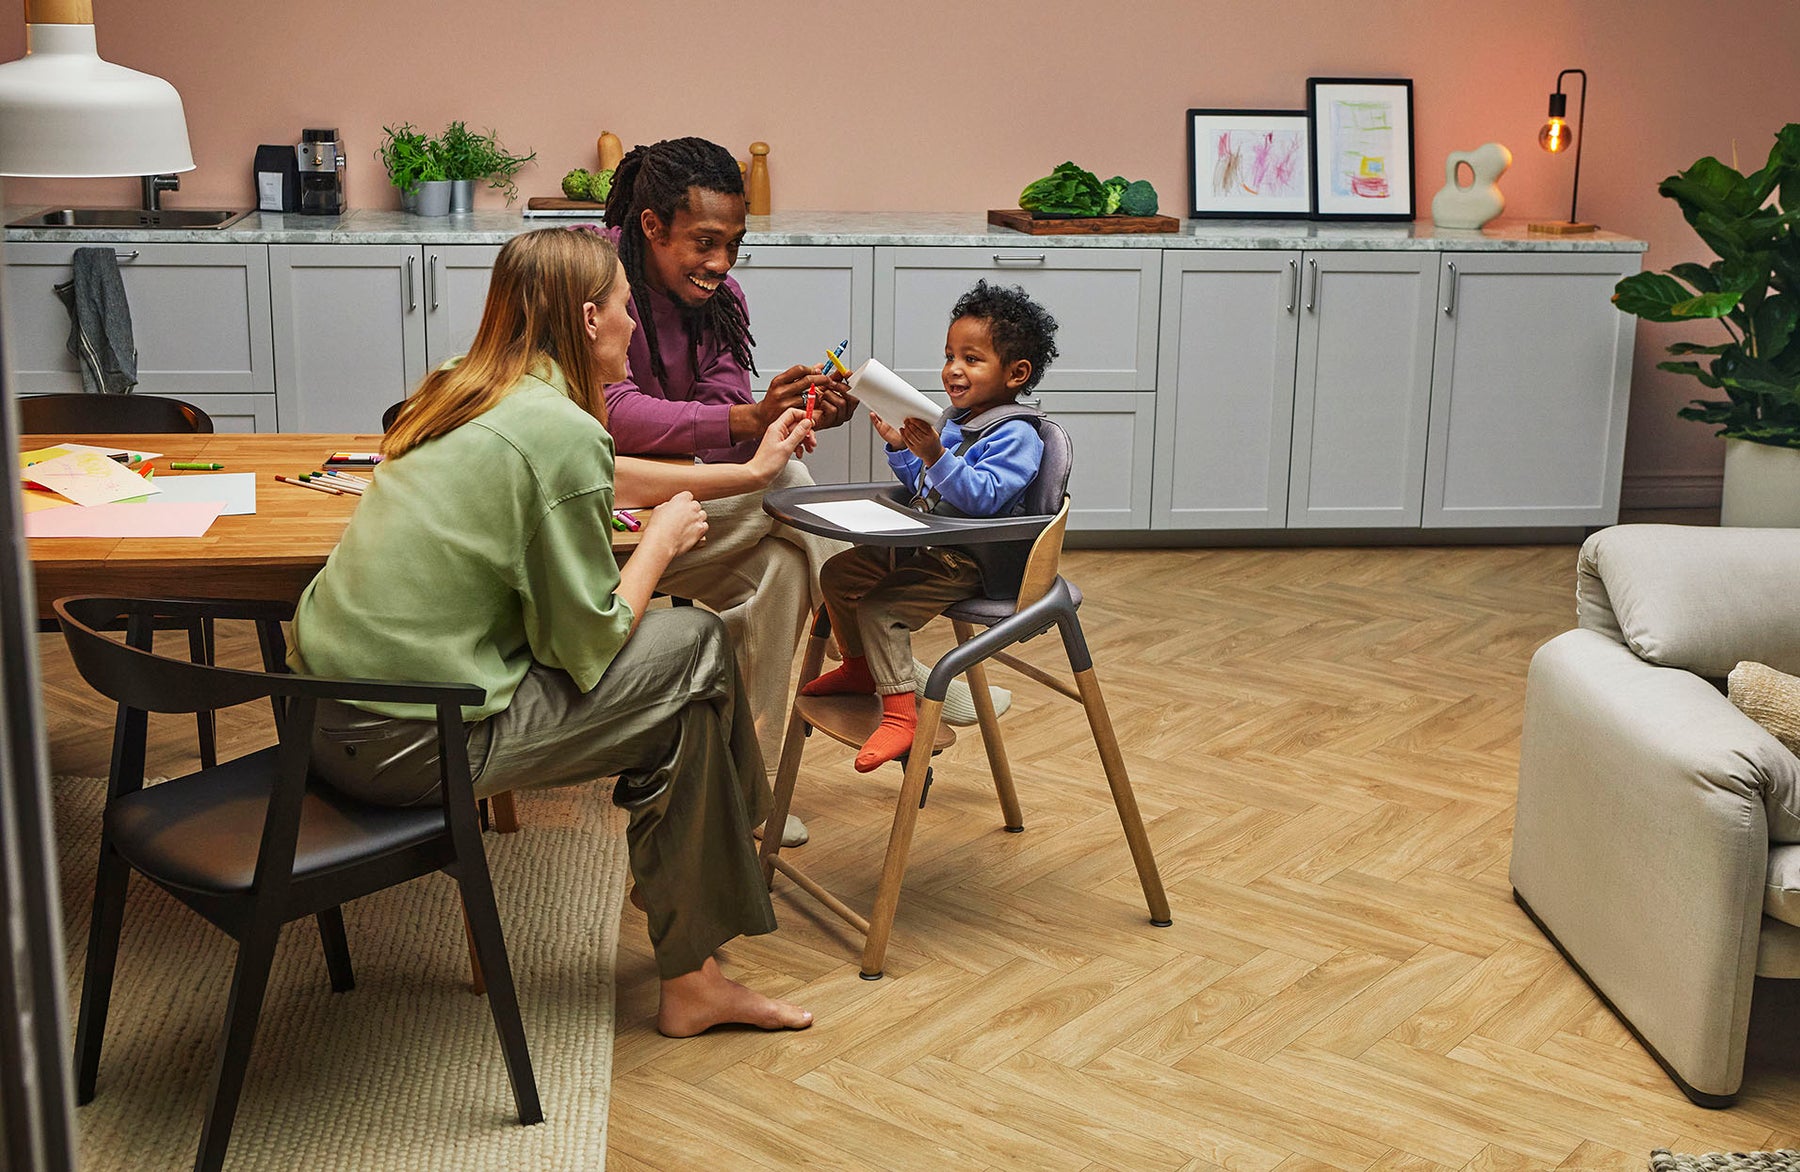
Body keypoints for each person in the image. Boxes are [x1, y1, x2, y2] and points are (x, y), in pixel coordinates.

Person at [288, 226, 813, 1037]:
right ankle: (703, 883)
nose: (635, 328)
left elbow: (592, 467)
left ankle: (695, 937)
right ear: (589, 316)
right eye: (627, 309)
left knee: (685, 709)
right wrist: (664, 543)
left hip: (320, 718)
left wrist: (746, 475)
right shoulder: (558, 430)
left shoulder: (454, 388)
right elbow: (591, 645)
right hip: (413, 747)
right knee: (697, 651)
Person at [600, 136, 856, 846]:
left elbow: (721, 426)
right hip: (602, 526)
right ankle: (878, 642)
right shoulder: (594, 280)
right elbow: (612, 414)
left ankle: (753, 799)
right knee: (789, 483)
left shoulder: (718, 300)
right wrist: (744, 424)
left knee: (780, 567)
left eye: (734, 244)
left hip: (687, 515)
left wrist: (771, 416)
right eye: (704, 243)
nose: (722, 264)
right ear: (651, 226)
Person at [802, 281, 1060, 770]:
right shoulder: (955, 420)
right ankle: (858, 669)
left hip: (971, 560)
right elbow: (930, 487)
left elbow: (982, 498)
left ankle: (902, 716)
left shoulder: (1017, 435)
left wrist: (936, 454)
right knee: (839, 575)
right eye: (949, 356)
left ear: (1016, 373)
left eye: (972, 358)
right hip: (929, 544)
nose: (953, 370)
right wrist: (905, 448)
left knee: (882, 610)